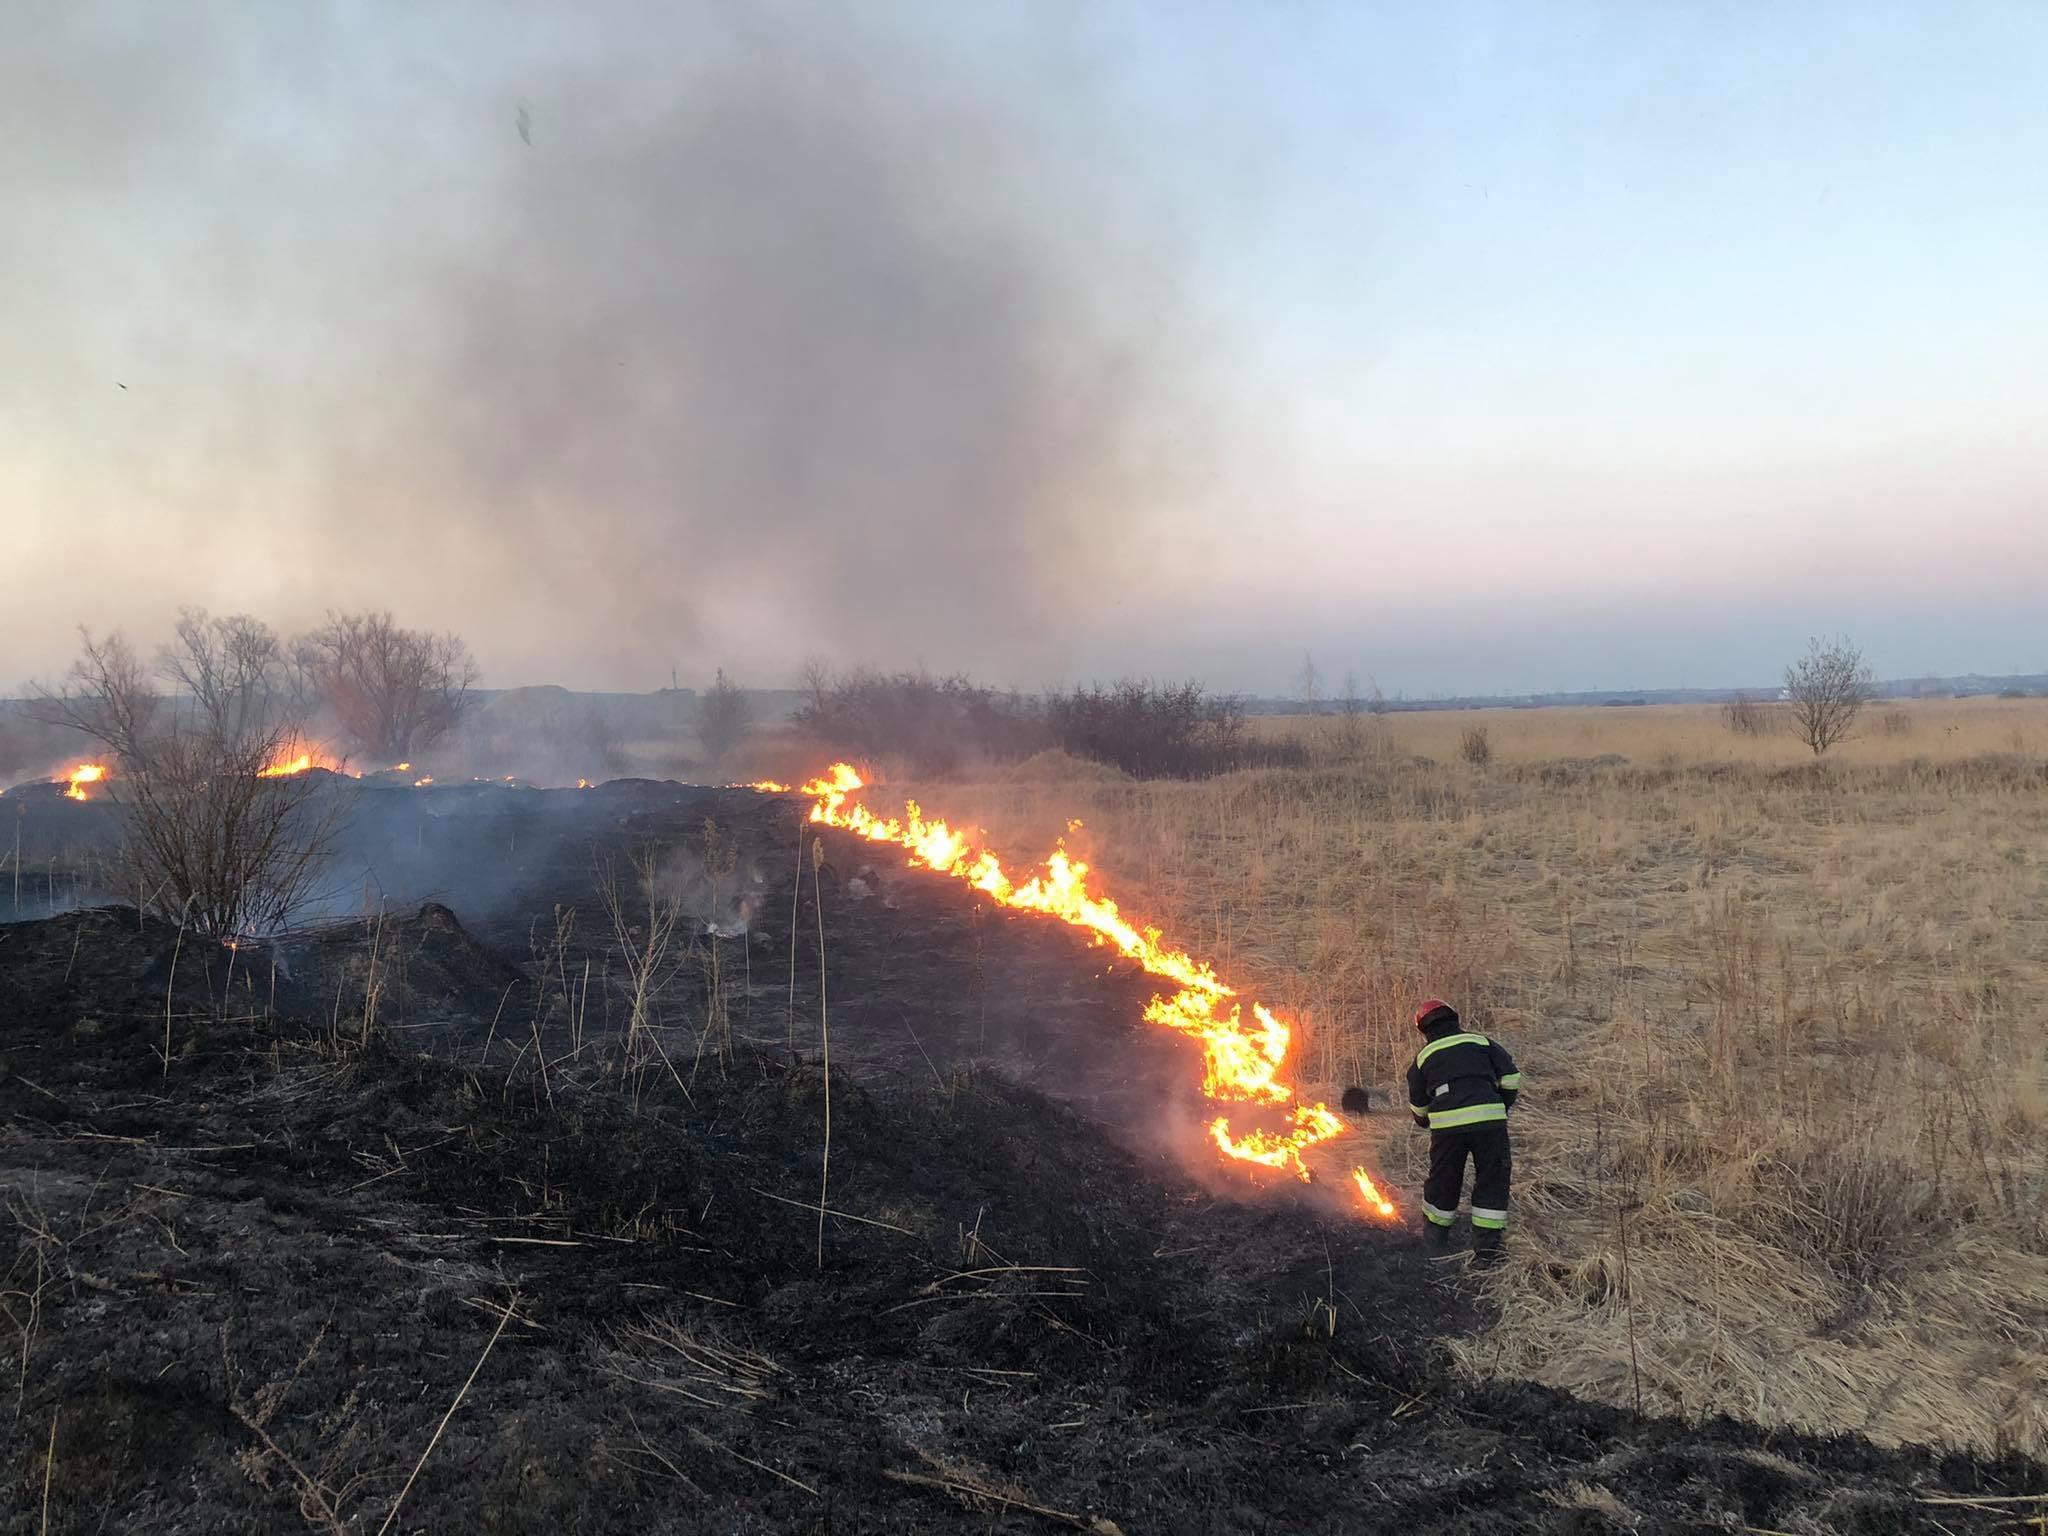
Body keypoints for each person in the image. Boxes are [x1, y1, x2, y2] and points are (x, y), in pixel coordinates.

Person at [1405, 999, 1520, 1262]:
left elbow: (1420, 1110)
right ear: (1454, 1019)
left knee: (1443, 1180)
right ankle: (1487, 1251)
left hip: (1448, 1129)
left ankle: (1434, 1243)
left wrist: (1425, 1118)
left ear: (1423, 1029)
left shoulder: (1423, 1058)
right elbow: (1512, 1078)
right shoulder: (1482, 1043)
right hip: (1490, 1123)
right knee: (1492, 1179)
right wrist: (1498, 1104)